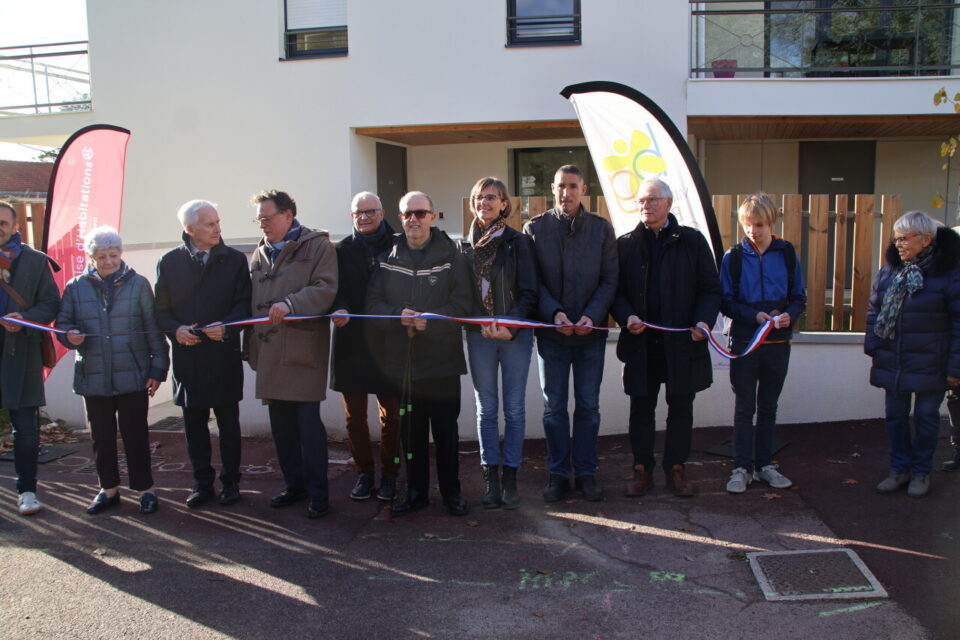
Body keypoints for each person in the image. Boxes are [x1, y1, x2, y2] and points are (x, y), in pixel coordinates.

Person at [611, 178, 720, 498]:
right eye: (641, 201)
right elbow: (615, 292)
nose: (645, 205)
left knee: (681, 409)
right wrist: (627, 316)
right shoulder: (626, 244)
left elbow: (710, 290)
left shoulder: (692, 241)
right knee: (641, 410)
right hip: (641, 344)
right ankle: (641, 469)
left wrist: (703, 321)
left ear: (669, 203)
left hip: (682, 344)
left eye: (652, 200)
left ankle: (676, 468)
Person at [367, 190, 473, 516]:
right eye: (407, 214)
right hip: (404, 365)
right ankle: (416, 493)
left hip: (443, 362)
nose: (414, 219)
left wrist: (434, 320)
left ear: (432, 216)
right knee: (411, 437)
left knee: (446, 434)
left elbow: (464, 304)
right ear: (400, 218)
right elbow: (372, 305)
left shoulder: (453, 255)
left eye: (420, 213)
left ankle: (452, 493)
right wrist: (396, 315)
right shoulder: (386, 258)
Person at [56, 226, 169, 515]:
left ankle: (145, 490)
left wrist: (158, 368)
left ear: (121, 254)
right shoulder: (75, 287)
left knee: (136, 435)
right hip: (93, 374)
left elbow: (153, 328)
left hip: (133, 373)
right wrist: (69, 336)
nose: (108, 261)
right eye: (101, 256)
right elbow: (63, 325)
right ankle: (108, 489)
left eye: (113, 255)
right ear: (90, 257)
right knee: (101, 437)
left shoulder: (139, 284)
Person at [524, 165, 617, 503]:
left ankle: (587, 473)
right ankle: (559, 474)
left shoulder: (602, 229)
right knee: (554, 408)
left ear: (583, 190)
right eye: (561, 186)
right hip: (553, 336)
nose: (566, 192)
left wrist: (593, 315)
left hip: (591, 335)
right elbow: (532, 282)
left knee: (589, 407)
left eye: (573, 186)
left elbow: (610, 279)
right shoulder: (535, 229)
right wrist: (555, 314)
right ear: (553, 188)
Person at [155, 200, 251, 508]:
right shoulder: (169, 262)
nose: (218, 228)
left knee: (228, 424)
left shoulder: (235, 260)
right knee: (194, 426)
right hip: (189, 359)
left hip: (223, 356)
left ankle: (231, 483)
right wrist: (176, 331)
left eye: (218, 222)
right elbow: (160, 310)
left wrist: (227, 327)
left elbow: (244, 305)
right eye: (210, 224)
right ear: (189, 229)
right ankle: (201, 484)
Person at [248, 189, 338, 518]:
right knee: (282, 428)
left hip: (302, 352)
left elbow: (326, 288)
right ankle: (294, 485)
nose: (262, 224)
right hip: (270, 352)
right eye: (258, 219)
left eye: (267, 218)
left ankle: (318, 494)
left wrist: (291, 303)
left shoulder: (319, 246)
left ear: (288, 215)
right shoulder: (260, 253)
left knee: (308, 428)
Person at [865, 210, 960, 498]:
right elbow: (874, 310)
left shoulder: (949, 274)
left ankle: (920, 472)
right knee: (895, 416)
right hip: (893, 360)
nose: (898, 245)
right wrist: (873, 345)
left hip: (933, 362)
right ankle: (899, 470)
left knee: (926, 418)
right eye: (895, 239)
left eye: (904, 238)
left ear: (926, 239)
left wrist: (955, 367)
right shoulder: (889, 272)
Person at [459, 177, 538, 509]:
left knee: (515, 408)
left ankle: (510, 479)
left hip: (514, 336)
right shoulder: (463, 247)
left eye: (492, 197)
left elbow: (530, 292)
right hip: (480, 336)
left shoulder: (519, 242)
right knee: (486, 409)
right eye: (479, 197)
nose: (485, 203)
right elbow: (461, 294)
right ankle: (490, 479)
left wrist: (511, 326)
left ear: (504, 204)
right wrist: (478, 322)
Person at [719, 193, 806, 494]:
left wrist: (788, 315)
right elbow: (725, 302)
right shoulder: (732, 257)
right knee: (745, 406)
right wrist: (753, 316)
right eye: (747, 225)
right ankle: (741, 467)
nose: (752, 231)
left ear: (771, 223)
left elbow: (799, 297)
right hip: (744, 343)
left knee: (768, 406)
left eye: (758, 224)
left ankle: (765, 465)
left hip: (778, 343)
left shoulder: (787, 253)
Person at [330, 191, 400, 502]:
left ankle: (390, 475)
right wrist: (339, 306)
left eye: (370, 211)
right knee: (354, 417)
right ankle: (364, 473)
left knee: (393, 416)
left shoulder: (399, 246)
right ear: (351, 216)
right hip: (352, 342)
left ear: (382, 212)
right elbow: (334, 289)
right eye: (358, 213)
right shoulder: (340, 249)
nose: (364, 217)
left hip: (390, 343)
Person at [0, 201, 60, 516]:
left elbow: (51, 303)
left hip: (21, 351)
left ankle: (27, 491)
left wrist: (25, 319)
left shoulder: (36, 261)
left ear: (14, 227)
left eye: (2, 223)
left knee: (25, 430)